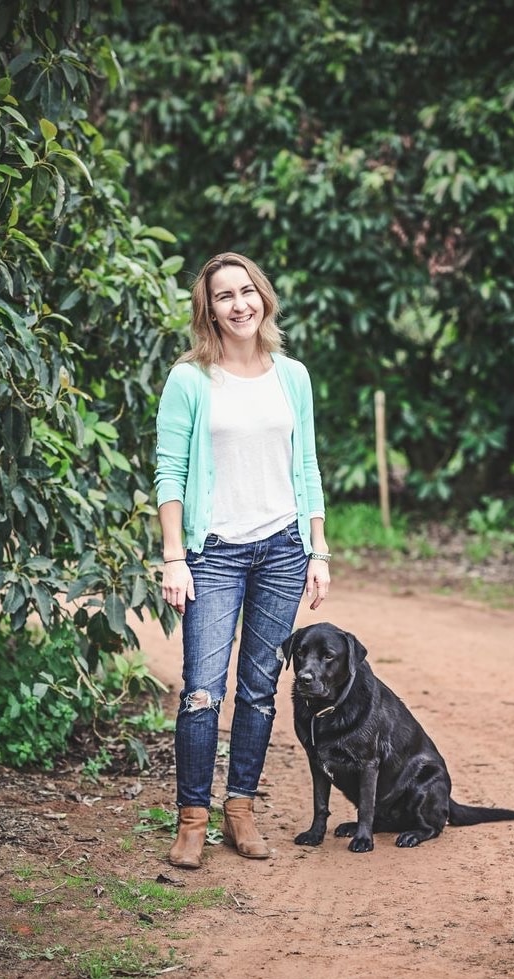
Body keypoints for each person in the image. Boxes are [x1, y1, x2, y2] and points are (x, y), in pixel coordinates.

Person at [154, 251, 330, 870]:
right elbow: (169, 474)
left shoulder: (293, 376)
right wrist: (175, 558)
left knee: (258, 692)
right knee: (202, 691)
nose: (239, 304)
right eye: (224, 295)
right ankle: (192, 819)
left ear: (263, 297)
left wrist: (318, 548)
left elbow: (305, 465)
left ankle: (241, 810)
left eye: (247, 291)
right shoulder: (190, 379)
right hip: (215, 553)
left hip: (283, 548)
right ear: (209, 309)